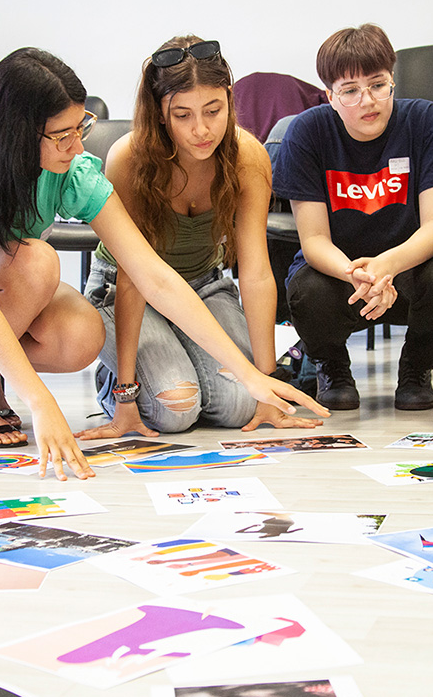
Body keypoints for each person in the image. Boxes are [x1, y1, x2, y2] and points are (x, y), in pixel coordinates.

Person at [0, 47, 327, 481]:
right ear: (17, 133)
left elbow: (151, 274)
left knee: (83, 334)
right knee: (36, 261)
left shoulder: (73, 169)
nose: (76, 145)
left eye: (80, 127)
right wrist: (41, 402)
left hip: (4, 284)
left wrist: (250, 375)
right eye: (61, 134)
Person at [77, 36, 322, 437]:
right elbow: (134, 278)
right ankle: (115, 379)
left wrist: (267, 383)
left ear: (230, 100)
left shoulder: (248, 156)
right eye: (183, 115)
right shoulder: (129, 158)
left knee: (243, 404)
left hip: (204, 285)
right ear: (160, 113)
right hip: (124, 289)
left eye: (213, 110)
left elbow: (256, 272)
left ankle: (179, 364)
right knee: (176, 408)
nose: (202, 130)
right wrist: (126, 397)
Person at [272, 23, 433, 412]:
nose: (368, 101)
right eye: (350, 91)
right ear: (331, 97)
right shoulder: (307, 132)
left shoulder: (425, 120)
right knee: (306, 291)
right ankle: (333, 368)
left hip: (409, 270)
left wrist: (386, 266)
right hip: (341, 278)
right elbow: (314, 241)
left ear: (392, 81)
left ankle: (417, 367)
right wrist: (358, 274)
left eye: (378, 85)